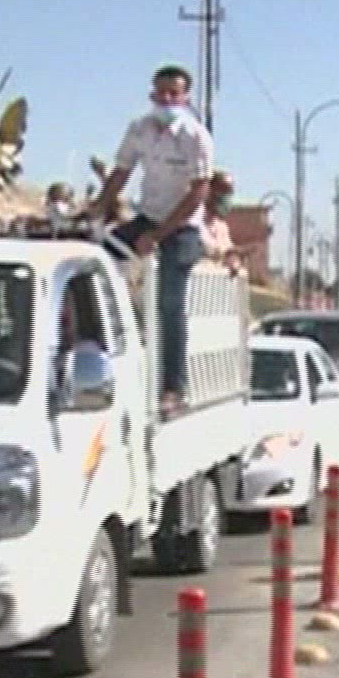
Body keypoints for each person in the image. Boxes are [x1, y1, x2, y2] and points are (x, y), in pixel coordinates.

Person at [88, 64, 214, 416]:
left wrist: (158, 236)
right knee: (95, 260)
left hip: (183, 226)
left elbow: (198, 193)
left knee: (169, 303)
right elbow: (121, 173)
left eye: (174, 93)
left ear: (186, 98)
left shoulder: (195, 136)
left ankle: (173, 388)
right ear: (151, 94)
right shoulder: (139, 129)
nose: (167, 99)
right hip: (148, 216)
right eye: (162, 93)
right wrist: (98, 209)